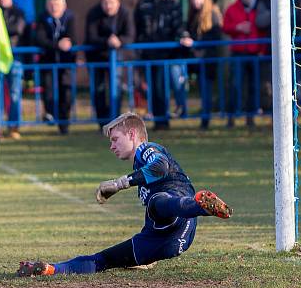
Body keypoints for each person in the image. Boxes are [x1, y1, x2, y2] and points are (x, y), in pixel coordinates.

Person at [17, 112, 233, 276]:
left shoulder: (147, 149)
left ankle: (199, 206)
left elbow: (161, 168)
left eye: (115, 139)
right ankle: (49, 269)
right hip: (165, 240)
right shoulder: (141, 170)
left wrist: (120, 183)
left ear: (132, 134)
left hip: (178, 210)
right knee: (103, 259)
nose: (112, 146)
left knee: (158, 203)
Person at [134, 0, 184, 130]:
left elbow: (177, 24)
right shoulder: (144, 1)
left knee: (161, 86)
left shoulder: (173, 1)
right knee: (152, 87)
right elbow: (138, 24)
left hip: (166, 51)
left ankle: (163, 119)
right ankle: (158, 118)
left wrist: (183, 36)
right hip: (148, 51)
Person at [222, 0, 271, 127]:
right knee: (235, 84)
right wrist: (237, 27)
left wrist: (262, 49)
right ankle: (231, 116)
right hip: (238, 52)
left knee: (253, 85)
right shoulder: (232, 8)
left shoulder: (260, 7)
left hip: (255, 52)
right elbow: (225, 26)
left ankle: (250, 117)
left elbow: (264, 30)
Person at [85, 0, 135, 129]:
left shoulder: (125, 13)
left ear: (118, 3)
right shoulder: (93, 14)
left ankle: (116, 123)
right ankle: (103, 124)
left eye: (111, 2)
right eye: (105, 3)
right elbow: (91, 37)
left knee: (116, 89)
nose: (108, 6)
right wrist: (107, 41)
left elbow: (130, 35)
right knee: (98, 90)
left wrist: (119, 40)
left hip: (117, 57)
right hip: (96, 58)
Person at [180, 0, 223, 129]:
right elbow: (187, 30)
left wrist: (197, 44)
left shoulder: (213, 14)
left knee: (206, 89)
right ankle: (195, 114)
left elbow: (215, 35)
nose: (195, 1)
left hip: (208, 58)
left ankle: (206, 119)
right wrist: (186, 37)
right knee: (201, 88)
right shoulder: (192, 15)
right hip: (196, 59)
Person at [34, 0, 76, 135]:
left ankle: (64, 126)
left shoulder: (70, 17)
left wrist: (68, 44)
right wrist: (57, 44)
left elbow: (73, 38)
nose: (54, 8)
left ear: (64, 5)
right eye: (51, 5)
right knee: (50, 93)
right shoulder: (42, 18)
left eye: (57, 5)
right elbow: (40, 39)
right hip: (48, 62)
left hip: (66, 62)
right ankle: (52, 115)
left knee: (66, 93)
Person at [0, 0, 27, 139]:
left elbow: (18, 29)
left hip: (15, 57)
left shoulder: (18, 13)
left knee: (15, 94)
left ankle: (13, 126)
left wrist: (1, 29)